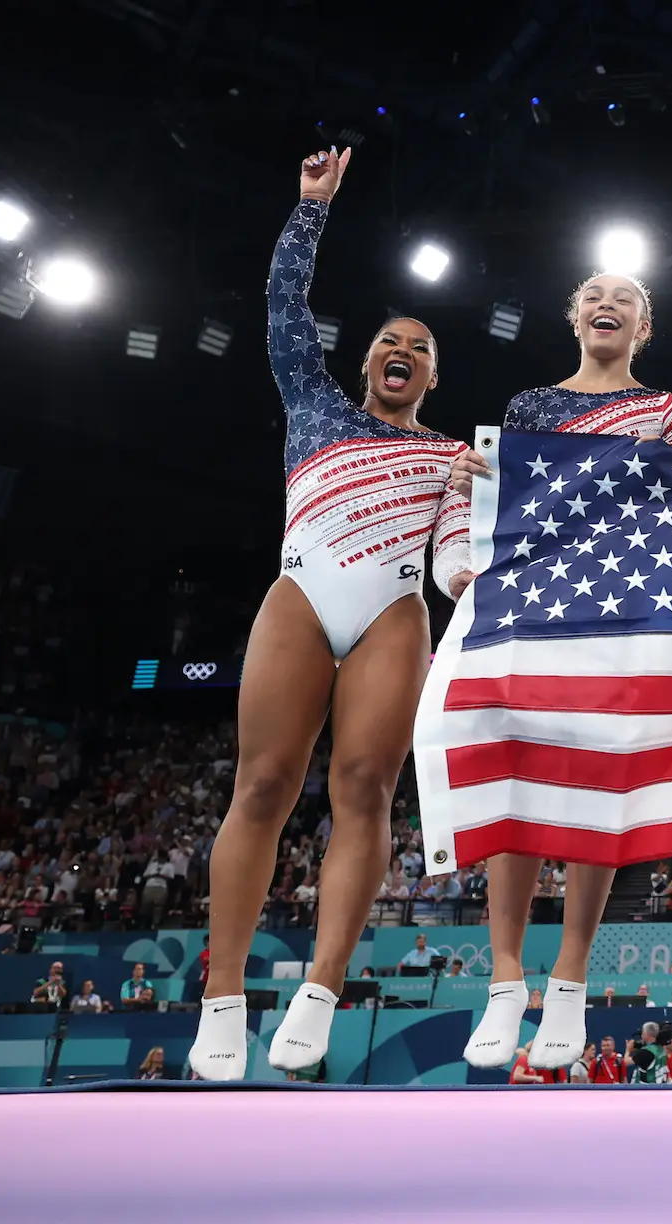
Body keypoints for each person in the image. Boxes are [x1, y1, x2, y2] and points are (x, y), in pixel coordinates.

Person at [190, 148, 467, 1082]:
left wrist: (475, 538)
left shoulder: (452, 456)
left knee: (363, 786)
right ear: (366, 361)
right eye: (392, 340)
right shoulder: (314, 406)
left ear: (431, 375)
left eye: (422, 347)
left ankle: (321, 987)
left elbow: (460, 559)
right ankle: (221, 996)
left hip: (393, 605)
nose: (404, 350)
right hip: (303, 590)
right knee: (263, 785)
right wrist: (310, 209)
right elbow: (281, 310)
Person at [444, 273, 672, 1070]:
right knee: (516, 776)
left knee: (595, 779)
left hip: (618, 604)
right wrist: (474, 483)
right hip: (534, 597)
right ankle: (505, 978)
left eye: (623, 295)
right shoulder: (529, 406)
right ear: (574, 314)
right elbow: (512, 496)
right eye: (591, 291)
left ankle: (571, 978)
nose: (605, 301)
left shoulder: (667, 411)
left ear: (644, 326)